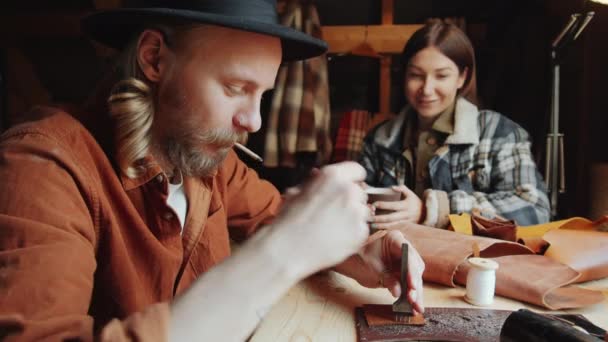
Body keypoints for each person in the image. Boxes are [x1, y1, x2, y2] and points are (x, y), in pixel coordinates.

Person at [0, 1, 425, 341]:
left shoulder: (208, 160)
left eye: (262, 94)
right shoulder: (41, 168)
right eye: (236, 88)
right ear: (154, 59)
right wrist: (280, 254)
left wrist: (357, 255)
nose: (254, 121)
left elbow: (272, 217)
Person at [359, 21, 550, 229]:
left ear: (462, 77)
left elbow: (534, 210)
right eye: (416, 75)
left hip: (472, 260)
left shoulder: (499, 133)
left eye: (441, 76)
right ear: (404, 75)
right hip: (391, 256)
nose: (427, 89)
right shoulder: (380, 139)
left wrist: (431, 209)